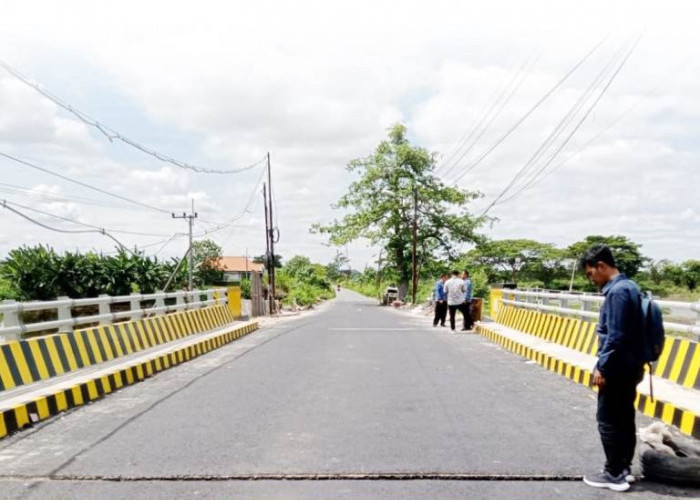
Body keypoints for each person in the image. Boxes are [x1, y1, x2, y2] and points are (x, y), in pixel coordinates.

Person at [581, 244, 645, 492]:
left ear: (601, 266)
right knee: (624, 418)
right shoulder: (631, 287)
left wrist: (602, 368)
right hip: (631, 365)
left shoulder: (617, 292)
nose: (591, 279)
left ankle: (613, 473)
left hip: (617, 367)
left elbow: (615, 336)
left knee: (607, 419)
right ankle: (624, 468)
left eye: (590, 274)